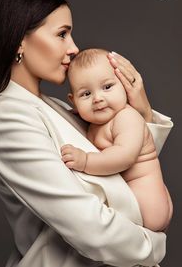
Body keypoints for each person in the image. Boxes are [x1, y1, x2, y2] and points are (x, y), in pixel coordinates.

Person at [0, 0, 173, 267]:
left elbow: (123, 174)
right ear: (19, 41)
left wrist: (143, 110)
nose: (74, 48)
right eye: (62, 34)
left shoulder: (60, 108)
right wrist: (153, 246)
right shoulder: (6, 117)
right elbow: (88, 225)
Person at [61, 48, 173, 232]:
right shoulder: (95, 121)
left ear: (124, 85)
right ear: (73, 102)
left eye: (107, 87)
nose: (98, 98)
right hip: (134, 196)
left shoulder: (127, 118)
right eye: (86, 94)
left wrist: (86, 160)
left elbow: (124, 156)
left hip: (147, 201)